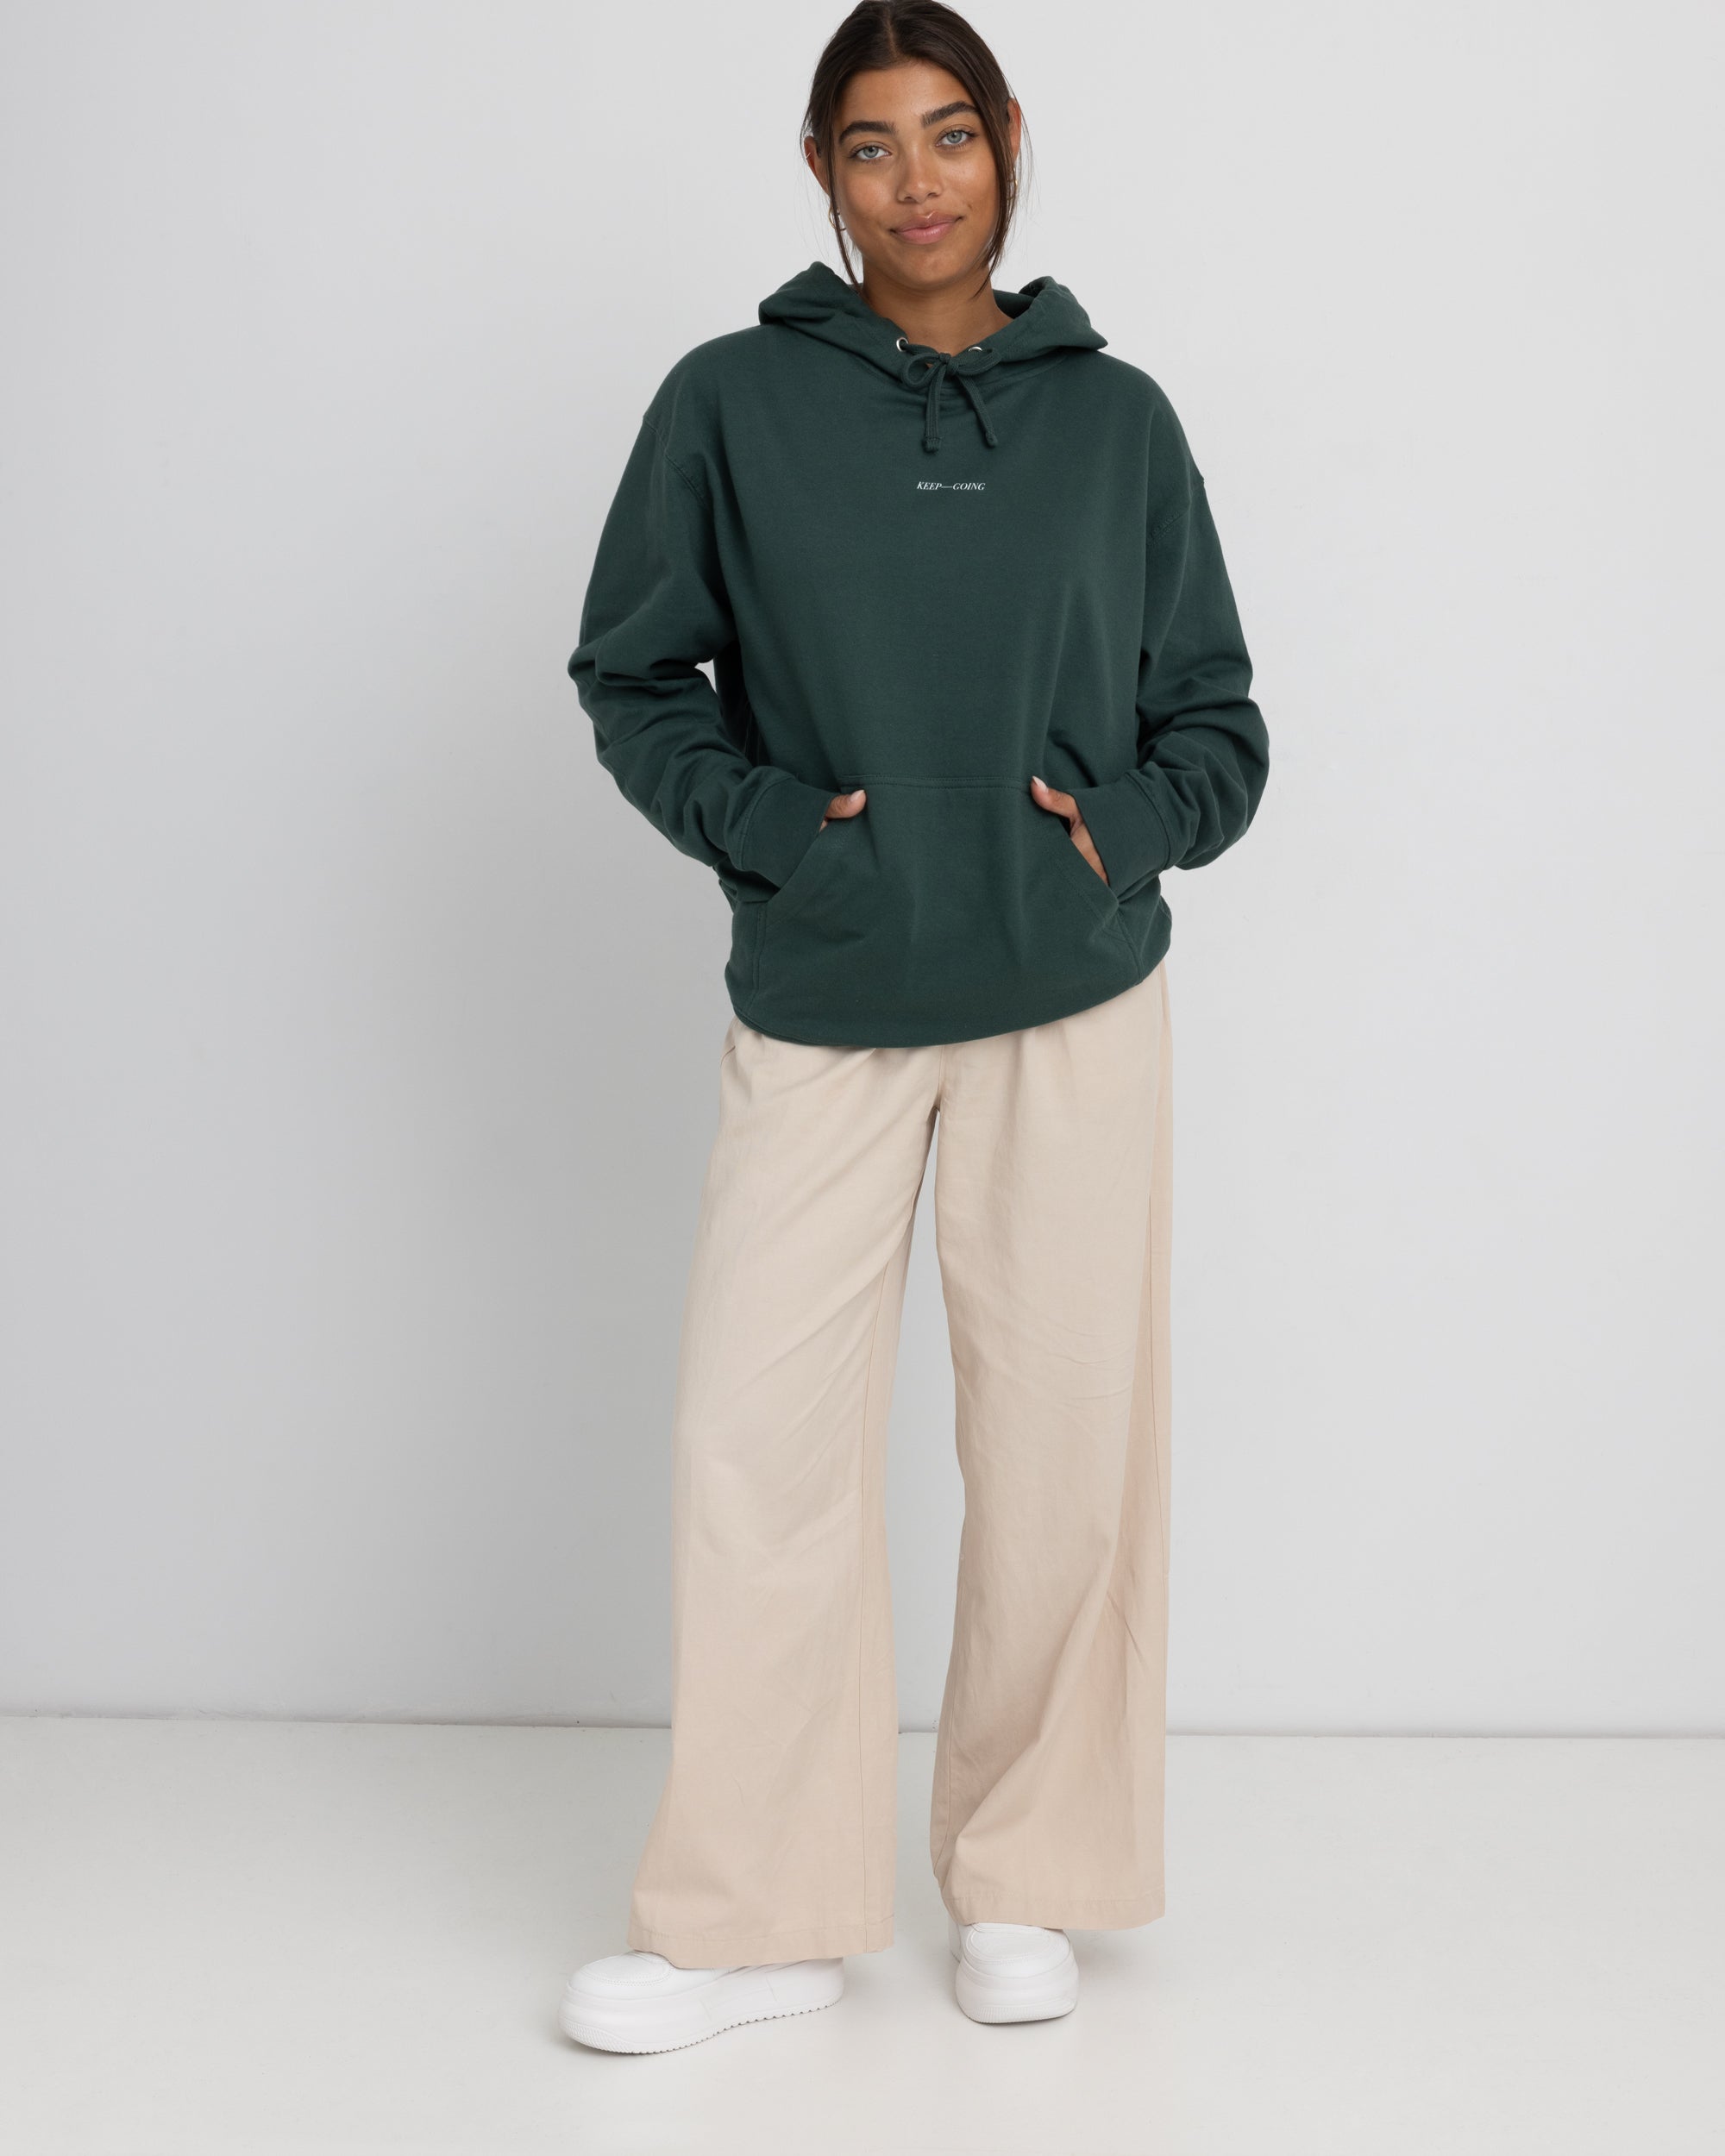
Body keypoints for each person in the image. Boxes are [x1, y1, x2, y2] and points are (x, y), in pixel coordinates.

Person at [558, 0, 1269, 2053]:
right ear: (821, 172)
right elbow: (632, 673)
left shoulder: (1115, 419)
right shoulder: (728, 402)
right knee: (754, 1446)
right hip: (829, 992)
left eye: (948, 133)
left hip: (1071, 996)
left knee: (1062, 1451)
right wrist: (780, 833)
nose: (917, 180)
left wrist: (1120, 830)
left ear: (1009, 137)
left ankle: (1028, 1870)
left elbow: (1219, 717)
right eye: (869, 145)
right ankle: (756, 1911)